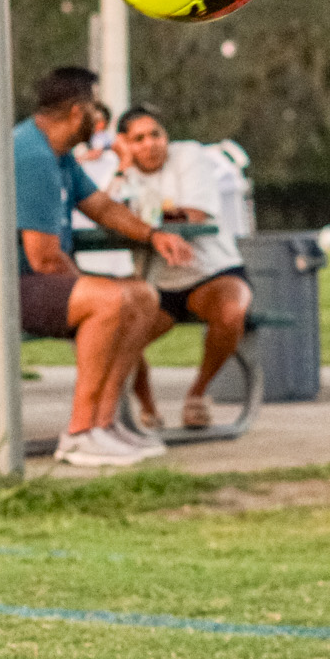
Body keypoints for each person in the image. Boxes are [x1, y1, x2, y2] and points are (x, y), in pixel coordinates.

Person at [0, 65, 195, 469]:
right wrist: (103, 294)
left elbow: (102, 207)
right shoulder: (31, 156)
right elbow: (44, 258)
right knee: (111, 302)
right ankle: (79, 434)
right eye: (95, 108)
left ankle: (104, 425)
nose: (100, 117)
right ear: (78, 112)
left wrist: (152, 235)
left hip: (25, 282)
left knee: (143, 296)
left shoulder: (57, 155)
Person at [114, 105, 252, 430]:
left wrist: (142, 222)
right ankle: (148, 409)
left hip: (210, 271)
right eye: (138, 139)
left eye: (155, 134)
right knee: (116, 331)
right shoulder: (121, 173)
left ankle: (197, 394)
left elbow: (195, 213)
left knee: (231, 312)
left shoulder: (189, 155)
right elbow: (107, 213)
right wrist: (121, 168)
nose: (150, 144)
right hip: (156, 282)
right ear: (124, 144)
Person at [71, 106, 135, 278]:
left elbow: (108, 203)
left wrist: (124, 163)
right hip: (81, 245)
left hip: (111, 248)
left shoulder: (114, 160)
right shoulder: (71, 158)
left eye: (99, 121)